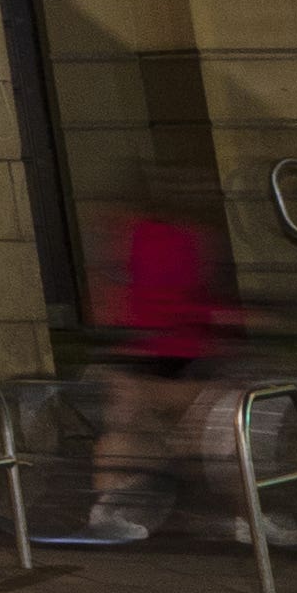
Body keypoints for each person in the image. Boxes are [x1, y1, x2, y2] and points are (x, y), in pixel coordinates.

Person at [53, 164, 243, 542]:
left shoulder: (135, 231)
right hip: (164, 353)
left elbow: (123, 292)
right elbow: (179, 300)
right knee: (218, 438)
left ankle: (107, 510)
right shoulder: (173, 236)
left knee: (134, 436)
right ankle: (245, 517)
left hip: (149, 352)